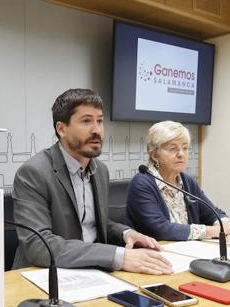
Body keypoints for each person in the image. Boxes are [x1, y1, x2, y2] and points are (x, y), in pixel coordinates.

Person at [12, 88, 172, 275]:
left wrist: (127, 233)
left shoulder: (100, 170)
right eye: (86, 121)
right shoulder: (33, 173)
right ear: (61, 129)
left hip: (92, 272)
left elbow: (96, 224)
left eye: (100, 121)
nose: (97, 130)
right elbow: (38, 245)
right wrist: (118, 256)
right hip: (45, 274)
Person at [126, 121, 230, 241]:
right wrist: (213, 231)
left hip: (186, 250)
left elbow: (213, 213)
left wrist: (227, 225)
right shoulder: (142, 183)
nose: (181, 154)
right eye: (172, 149)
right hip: (153, 253)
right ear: (155, 155)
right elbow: (159, 229)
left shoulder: (187, 181)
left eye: (185, 148)